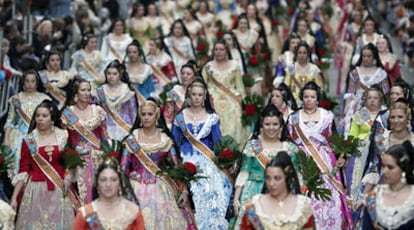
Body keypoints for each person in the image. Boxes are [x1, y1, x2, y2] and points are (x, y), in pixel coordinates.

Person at [287, 81, 352, 229]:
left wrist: (342, 156)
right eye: (306, 97)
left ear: (318, 98)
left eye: (312, 97)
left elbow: (335, 139)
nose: (309, 100)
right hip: (302, 161)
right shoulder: (294, 118)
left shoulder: (327, 116)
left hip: (325, 161)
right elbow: (288, 140)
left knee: (329, 196)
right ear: (301, 98)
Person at [121, 98, 191, 229]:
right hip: (136, 187)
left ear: (157, 116)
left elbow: (176, 169)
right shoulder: (131, 140)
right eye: (143, 114)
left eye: (150, 114)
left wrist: (184, 190)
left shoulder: (165, 140)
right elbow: (122, 169)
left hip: (161, 188)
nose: (146, 117)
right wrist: (129, 178)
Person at [172, 78, 232, 229]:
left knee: (213, 185)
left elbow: (218, 143)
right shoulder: (179, 118)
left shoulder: (212, 117)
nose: (197, 98)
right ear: (189, 96)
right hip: (184, 157)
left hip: (207, 159)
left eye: (200, 95)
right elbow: (174, 142)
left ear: (205, 97)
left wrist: (224, 161)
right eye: (194, 94)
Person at [10, 100, 76, 229]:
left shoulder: (63, 136)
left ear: (52, 119)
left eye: (44, 116)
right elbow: (23, 170)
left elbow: (71, 161)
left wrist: (68, 177)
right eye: (38, 115)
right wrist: (13, 198)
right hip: (35, 190)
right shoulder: (29, 139)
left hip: (59, 188)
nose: (40, 119)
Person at [233, 104, 299, 229]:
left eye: (275, 124)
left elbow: (295, 176)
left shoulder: (289, 148)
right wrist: (236, 200)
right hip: (253, 192)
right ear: (261, 126)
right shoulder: (252, 147)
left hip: (281, 194)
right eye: (267, 124)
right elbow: (244, 173)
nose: (271, 128)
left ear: (281, 126)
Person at [61, 78, 109, 205]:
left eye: (89, 90)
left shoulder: (97, 111)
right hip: (77, 161)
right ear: (76, 92)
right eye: (83, 90)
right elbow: (64, 140)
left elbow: (105, 136)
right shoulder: (68, 113)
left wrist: (108, 156)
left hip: (97, 158)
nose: (87, 93)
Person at [240, 151, 315, 229]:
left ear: (287, 177)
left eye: (277, 178)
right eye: (268, 178)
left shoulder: (302, 208)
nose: (272, 183)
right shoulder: (255, 206)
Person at [3, 70, 51, 178]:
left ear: (37, 82)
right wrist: (6, 139)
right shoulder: (15, 99)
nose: (30, 84)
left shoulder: (44, 99)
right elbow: (9, 121)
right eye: (27, 81)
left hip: (39, 134)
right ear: (23, 82)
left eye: (33, 81)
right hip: (18, 135)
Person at [73, 157, 145, 229]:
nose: (108, 184)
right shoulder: (85, 213)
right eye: (103, 180)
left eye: (113, 180)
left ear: (120, 183)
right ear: (97, 183)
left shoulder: (133, 212)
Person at [361, 100, 414, 195]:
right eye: (393, 117)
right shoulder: (381, 139)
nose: (396, 120)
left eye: (400, 117)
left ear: (407, 118)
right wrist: (364, 196)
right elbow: (375, 168)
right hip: (385, 188)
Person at [202, 39, 248, 145]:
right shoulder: (208, 67)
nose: (218, 52)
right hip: (213, 102)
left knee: (236, 124)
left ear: (226, 51)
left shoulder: (234, 65)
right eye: (216, 49)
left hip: (233, 101)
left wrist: (245, 104)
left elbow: (240, 86)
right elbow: (202, 86)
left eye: (221, 49)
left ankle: (234, 151)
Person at [340, 43, 390, 138]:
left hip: (376, 107)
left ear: (374, 56)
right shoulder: (355, 72)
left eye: (369, 56)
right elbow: (350, 93)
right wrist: (346, 111)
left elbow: (386, 93)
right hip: (357, 107)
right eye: (364, 56)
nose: (366, 58)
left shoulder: (381, 73)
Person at [345, 87, 386, 202]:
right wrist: (347, 155)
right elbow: (352, 136)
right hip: (360, 153)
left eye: (375, 98)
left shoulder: (386, 114)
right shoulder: (359, 114)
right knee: (356, 182)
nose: (372, 101)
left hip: (380, 153)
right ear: (365, 99)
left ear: (380, 99)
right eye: (369, 98)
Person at [361, 141, 414, 229]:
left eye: (390, 167)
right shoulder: (374, 196)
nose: (384, 171)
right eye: (383, 166)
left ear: (403, 168)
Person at [97, 60, 138, 141]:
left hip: (125, 127)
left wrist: (134, 130)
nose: (111, 76)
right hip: (105, 127)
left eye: (114, 74)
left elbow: (133, 112)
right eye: (109, 73)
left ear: (120, 74)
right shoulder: (100, 90)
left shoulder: (127, 90)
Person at [282, 41, 323, 106]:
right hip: (293, 104)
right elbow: (285, 88)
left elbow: (320, 88)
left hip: (311, 104)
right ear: (296, 54)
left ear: (308, 54)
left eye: (304, 53)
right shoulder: (290, 69)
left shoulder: (314, 69)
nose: (302, 55)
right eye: (300, 53)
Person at [164, 61, 198, 128]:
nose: (185, 76)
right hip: (179, 127)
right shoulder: (175, 91)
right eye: (183, 73)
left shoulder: (199, 92)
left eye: (188, 74)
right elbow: (168, 113)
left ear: (194, 76)